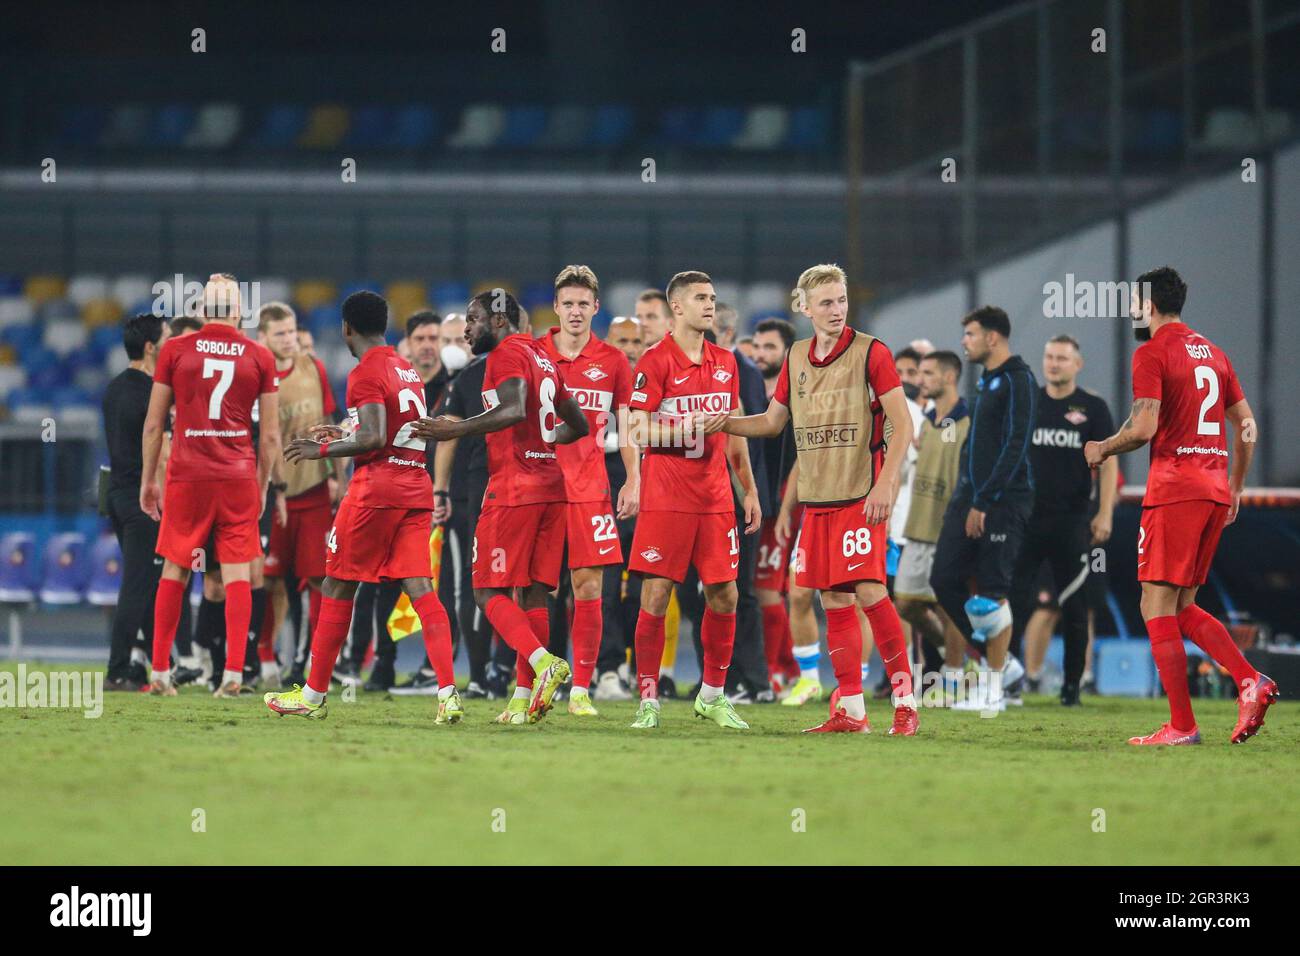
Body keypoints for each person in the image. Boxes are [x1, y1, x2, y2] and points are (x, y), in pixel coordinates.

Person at [710, 263, 918, 735]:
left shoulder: (872, 352)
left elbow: (901, 424)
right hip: (818, 499)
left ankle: (906, 702)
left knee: (871, 592)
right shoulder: (798, 356)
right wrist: (722, 421)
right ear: (803, 308)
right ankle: (852, 712)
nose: (837, 310)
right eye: (826, 302)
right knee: (832, 600)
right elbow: (771, 421)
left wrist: (886, 483)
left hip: (861, 493)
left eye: (841, 300)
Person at [1085, 266, 1277, 745]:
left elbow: (1145, 428)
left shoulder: (1152, 352)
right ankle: (1250, 681)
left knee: (1153, 603)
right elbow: (1247, 425)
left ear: (1149, 305)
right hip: (1212, 491)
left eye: (1134, 302)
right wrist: (1235, 485)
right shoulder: (1213, 352)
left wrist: (1103, 448)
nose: (1131, 310)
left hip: (1175, 490)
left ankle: (1184, 725)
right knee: (1182, 605)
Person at [263, 291, 462, 723]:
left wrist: (325, 450)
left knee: (337, 584)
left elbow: (372, 438)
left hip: (377, 490)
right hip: (415, 485)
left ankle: (313, 695)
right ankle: (448, 693)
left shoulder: (364, 371)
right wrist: (342, 427)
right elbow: (388, 424)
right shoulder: (405, 368)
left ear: (346, 328)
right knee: (421, 589)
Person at [413, 289, 589, 725]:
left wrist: (454, 430)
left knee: (485, 591)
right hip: (552, 486)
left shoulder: (506, 355)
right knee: (532, 593)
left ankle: (543, 662)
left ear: (497, 321)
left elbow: (510, 411)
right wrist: (547, 443)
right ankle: (523, 698)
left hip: (514, 488)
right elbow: (579, 424)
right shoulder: (543, 357)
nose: (467, 329)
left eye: (473, 319)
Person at [626, 271, 759, 730]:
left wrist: (750, 489)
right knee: (656, 595)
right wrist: (684, 428)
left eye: (713, 297)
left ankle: (713, 695)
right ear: (677, 307)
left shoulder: (726, 361)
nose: (710, 305)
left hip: (716, 497)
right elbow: (637, 429)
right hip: (667, 497)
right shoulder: (654, 361)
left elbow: (733, 428)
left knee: (726, 594)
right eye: (701, 298)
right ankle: (648, 698)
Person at [141, 274, 281, 698]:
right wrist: (261, 482)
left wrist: (150, 479)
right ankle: (234, 674)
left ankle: (162, 672)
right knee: (239, 572)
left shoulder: (175, 350)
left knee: (177, 567)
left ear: (202, 312)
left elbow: (152, 425)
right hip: (237, 475)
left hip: (187, 473)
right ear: (239, 313)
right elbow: (271, 436)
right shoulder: (260, 355)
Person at [537, 266, 639, 715]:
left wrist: (633, 479)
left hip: (591, 487)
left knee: (588, 585)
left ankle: (581, 687)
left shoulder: (614, 361)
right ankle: (539, 681)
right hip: (538, 485)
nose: (576, 311)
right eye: (568, 304)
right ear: (556, 308)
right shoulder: (534, 354)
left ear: (596, 308)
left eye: (584, 304)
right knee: (539, 588)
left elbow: (629, 428)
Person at [929, 306, 1036, 713]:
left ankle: (993, 690)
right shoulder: (988, 382)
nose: (964, 341)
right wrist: (966, 495)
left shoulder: (1019, 380)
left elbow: (1016, 444)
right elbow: (978, 448)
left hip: (1004, 500)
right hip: (970, 496)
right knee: (944, 579)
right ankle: (1003, 663)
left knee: (991, 593)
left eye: (971, 334)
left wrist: (985, 501)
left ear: (993, 338)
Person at [1009, 335, 1116, 706]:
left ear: (1077, 364)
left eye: (1062, 358)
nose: (1054, 363)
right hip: (1026, 520)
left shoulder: (1093, 407)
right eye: (1049, 356)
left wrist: (1104, 512)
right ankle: (1008, 682)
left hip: (1072, 522)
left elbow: (1109, 459)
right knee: (1015, 602)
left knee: (1075, 605)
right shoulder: (1028, 403)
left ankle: (1072, 686)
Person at [256, 302, 338, 690]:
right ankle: (265, 656)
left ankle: (309, 661)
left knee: (319, 579)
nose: (289, 340)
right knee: (271, 580)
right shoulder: (257, 374)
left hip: (315, 489)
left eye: (292, 332)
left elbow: (333, 425)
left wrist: (338, 479)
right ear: (263, 338)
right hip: (274, 494)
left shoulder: (314, 369)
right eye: (280, 334)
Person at [893, 351, 969, 702]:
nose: (920, 379)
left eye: (927, 373)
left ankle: (953, 680)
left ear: (950, 377)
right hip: (918, 525)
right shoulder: (925, 422)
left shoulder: (967, 421)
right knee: (907, 603)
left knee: (947, 604)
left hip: (948, 528)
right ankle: (963, 655)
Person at [102, 313, 172, 691]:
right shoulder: (151, 394)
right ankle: (116, 670)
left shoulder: (114, 388)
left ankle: (148, 666)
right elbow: (160, 452)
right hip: (142, 499)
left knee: (144, 584)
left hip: (116, 494)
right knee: (137, 587)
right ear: (150, 347)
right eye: (166, 338)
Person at [749, 317, 800, 694]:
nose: (761, 354)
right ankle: (787, 668)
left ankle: (779, 669)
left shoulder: (797, 392)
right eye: (758, 347)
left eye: (770, 347)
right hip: (759, 501)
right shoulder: (749, 387)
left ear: (786, 351)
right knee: (766, 587)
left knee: (771, 588)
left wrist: (785, 506)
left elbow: (801, 455)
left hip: (784, 503)